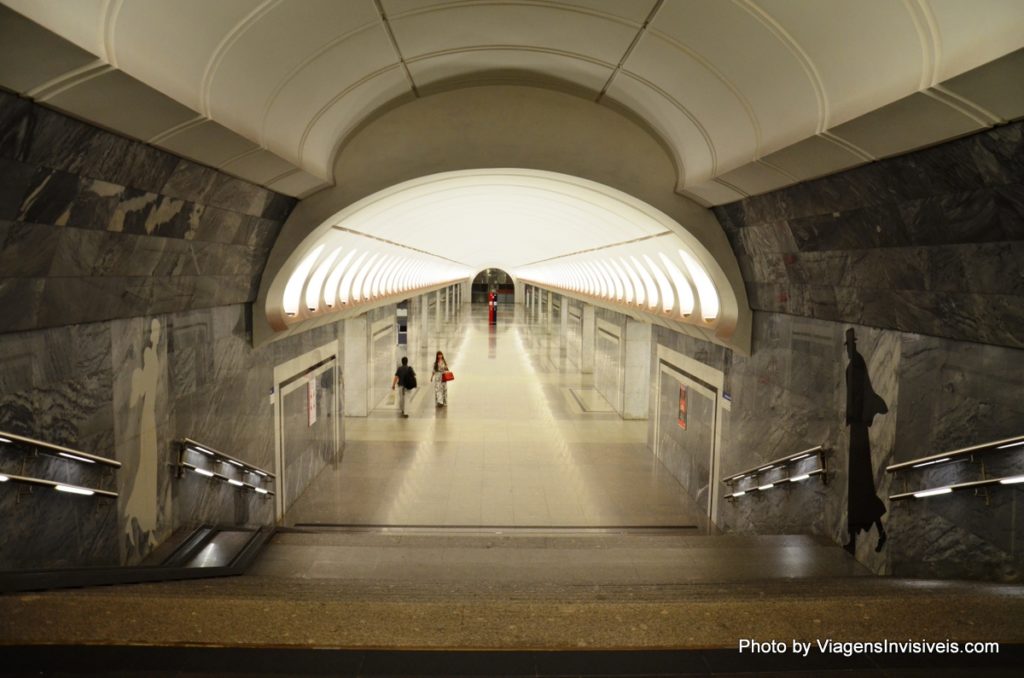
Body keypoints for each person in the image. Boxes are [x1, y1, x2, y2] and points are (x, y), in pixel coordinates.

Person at [843, 328, 888, 554]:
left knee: (860, 485)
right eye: (848, 345)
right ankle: (862, 537)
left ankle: (859, 538)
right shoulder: (852, 366)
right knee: (860, 486)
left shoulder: (857, 365)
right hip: (856, 428)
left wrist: (858, 418)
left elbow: (862, 394)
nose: (849, 349)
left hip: (859, 429)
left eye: (850, 344)